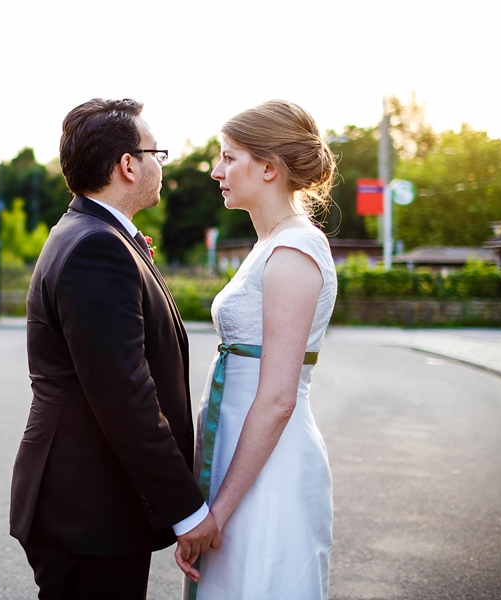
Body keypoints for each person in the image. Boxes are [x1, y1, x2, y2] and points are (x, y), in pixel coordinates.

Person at [10, 98, 219, 600]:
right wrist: (187, 509)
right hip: (87, 506)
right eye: (156, 153)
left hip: (95, 502)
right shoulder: (95, 247)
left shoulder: (91, 234)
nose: (160, 165)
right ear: (128, 165)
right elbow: (126, 397)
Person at [183, 100, 338, 600]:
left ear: (269, 167)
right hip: (241, 459)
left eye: (229, 157)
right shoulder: (270, 243)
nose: (215, 171)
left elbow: (277, 398)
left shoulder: (293, 251)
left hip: (269, 470)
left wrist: (218, 513)